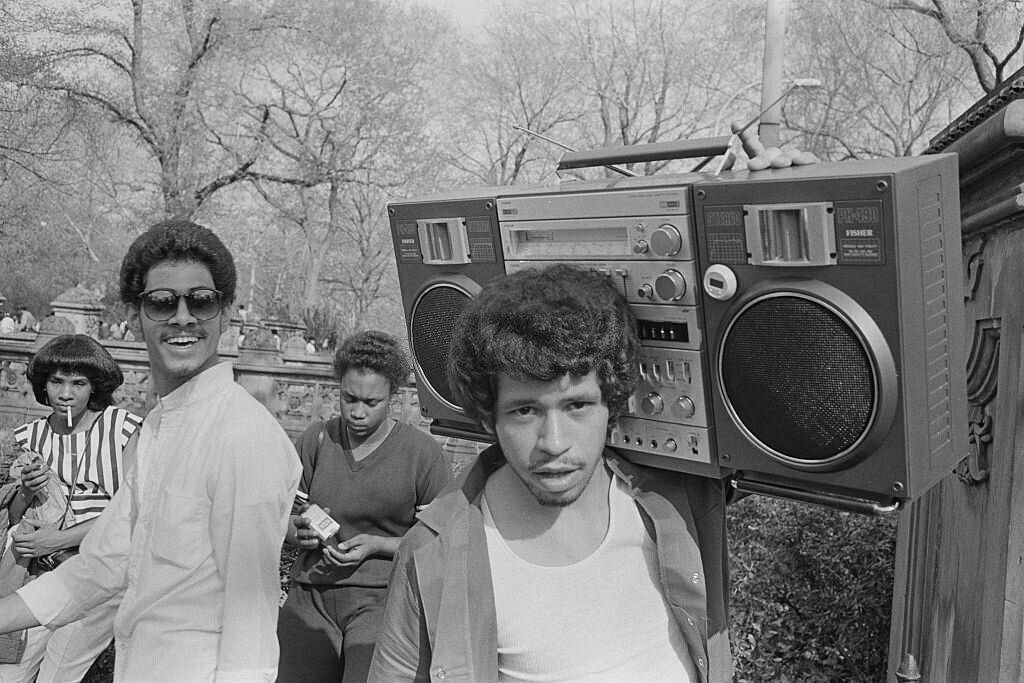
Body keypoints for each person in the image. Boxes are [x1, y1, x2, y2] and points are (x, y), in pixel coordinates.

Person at [368, 264, 733, 683]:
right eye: (526, 411)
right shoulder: (434, 554)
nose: (553, 442)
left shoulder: (682, 500)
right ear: (490, 419)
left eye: (576, 406)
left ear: (611, 405)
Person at [0, 219, 303, 682]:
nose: (183, 317)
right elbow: (107, 564)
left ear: (225, 314)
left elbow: (252, 623)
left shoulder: (244, 436)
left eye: (200, 301)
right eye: (162, 303)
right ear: (136, 315)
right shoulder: (158, 427)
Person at [277, 330, 451, 683]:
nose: (357, 412)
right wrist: (300, 532)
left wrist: (378, 545)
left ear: (394, 398)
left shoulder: (422, 455)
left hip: (383, 601)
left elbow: (445, 543)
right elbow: (282, 519)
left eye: (371, 402)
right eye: (348, 398)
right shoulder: (317, 440)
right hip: (310, 597)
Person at [0, 334, 141, 683]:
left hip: (96, 566)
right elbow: (16, 516)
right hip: (32, 568)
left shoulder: (121, 428)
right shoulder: (29, 436)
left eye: (79, 383)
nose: (66, 393)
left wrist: (59, 539)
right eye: (56, 382)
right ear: (43, 386)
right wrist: (27, 491)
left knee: (58, 673)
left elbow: (131, 511)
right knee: (10, 673)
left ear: (95, 387)